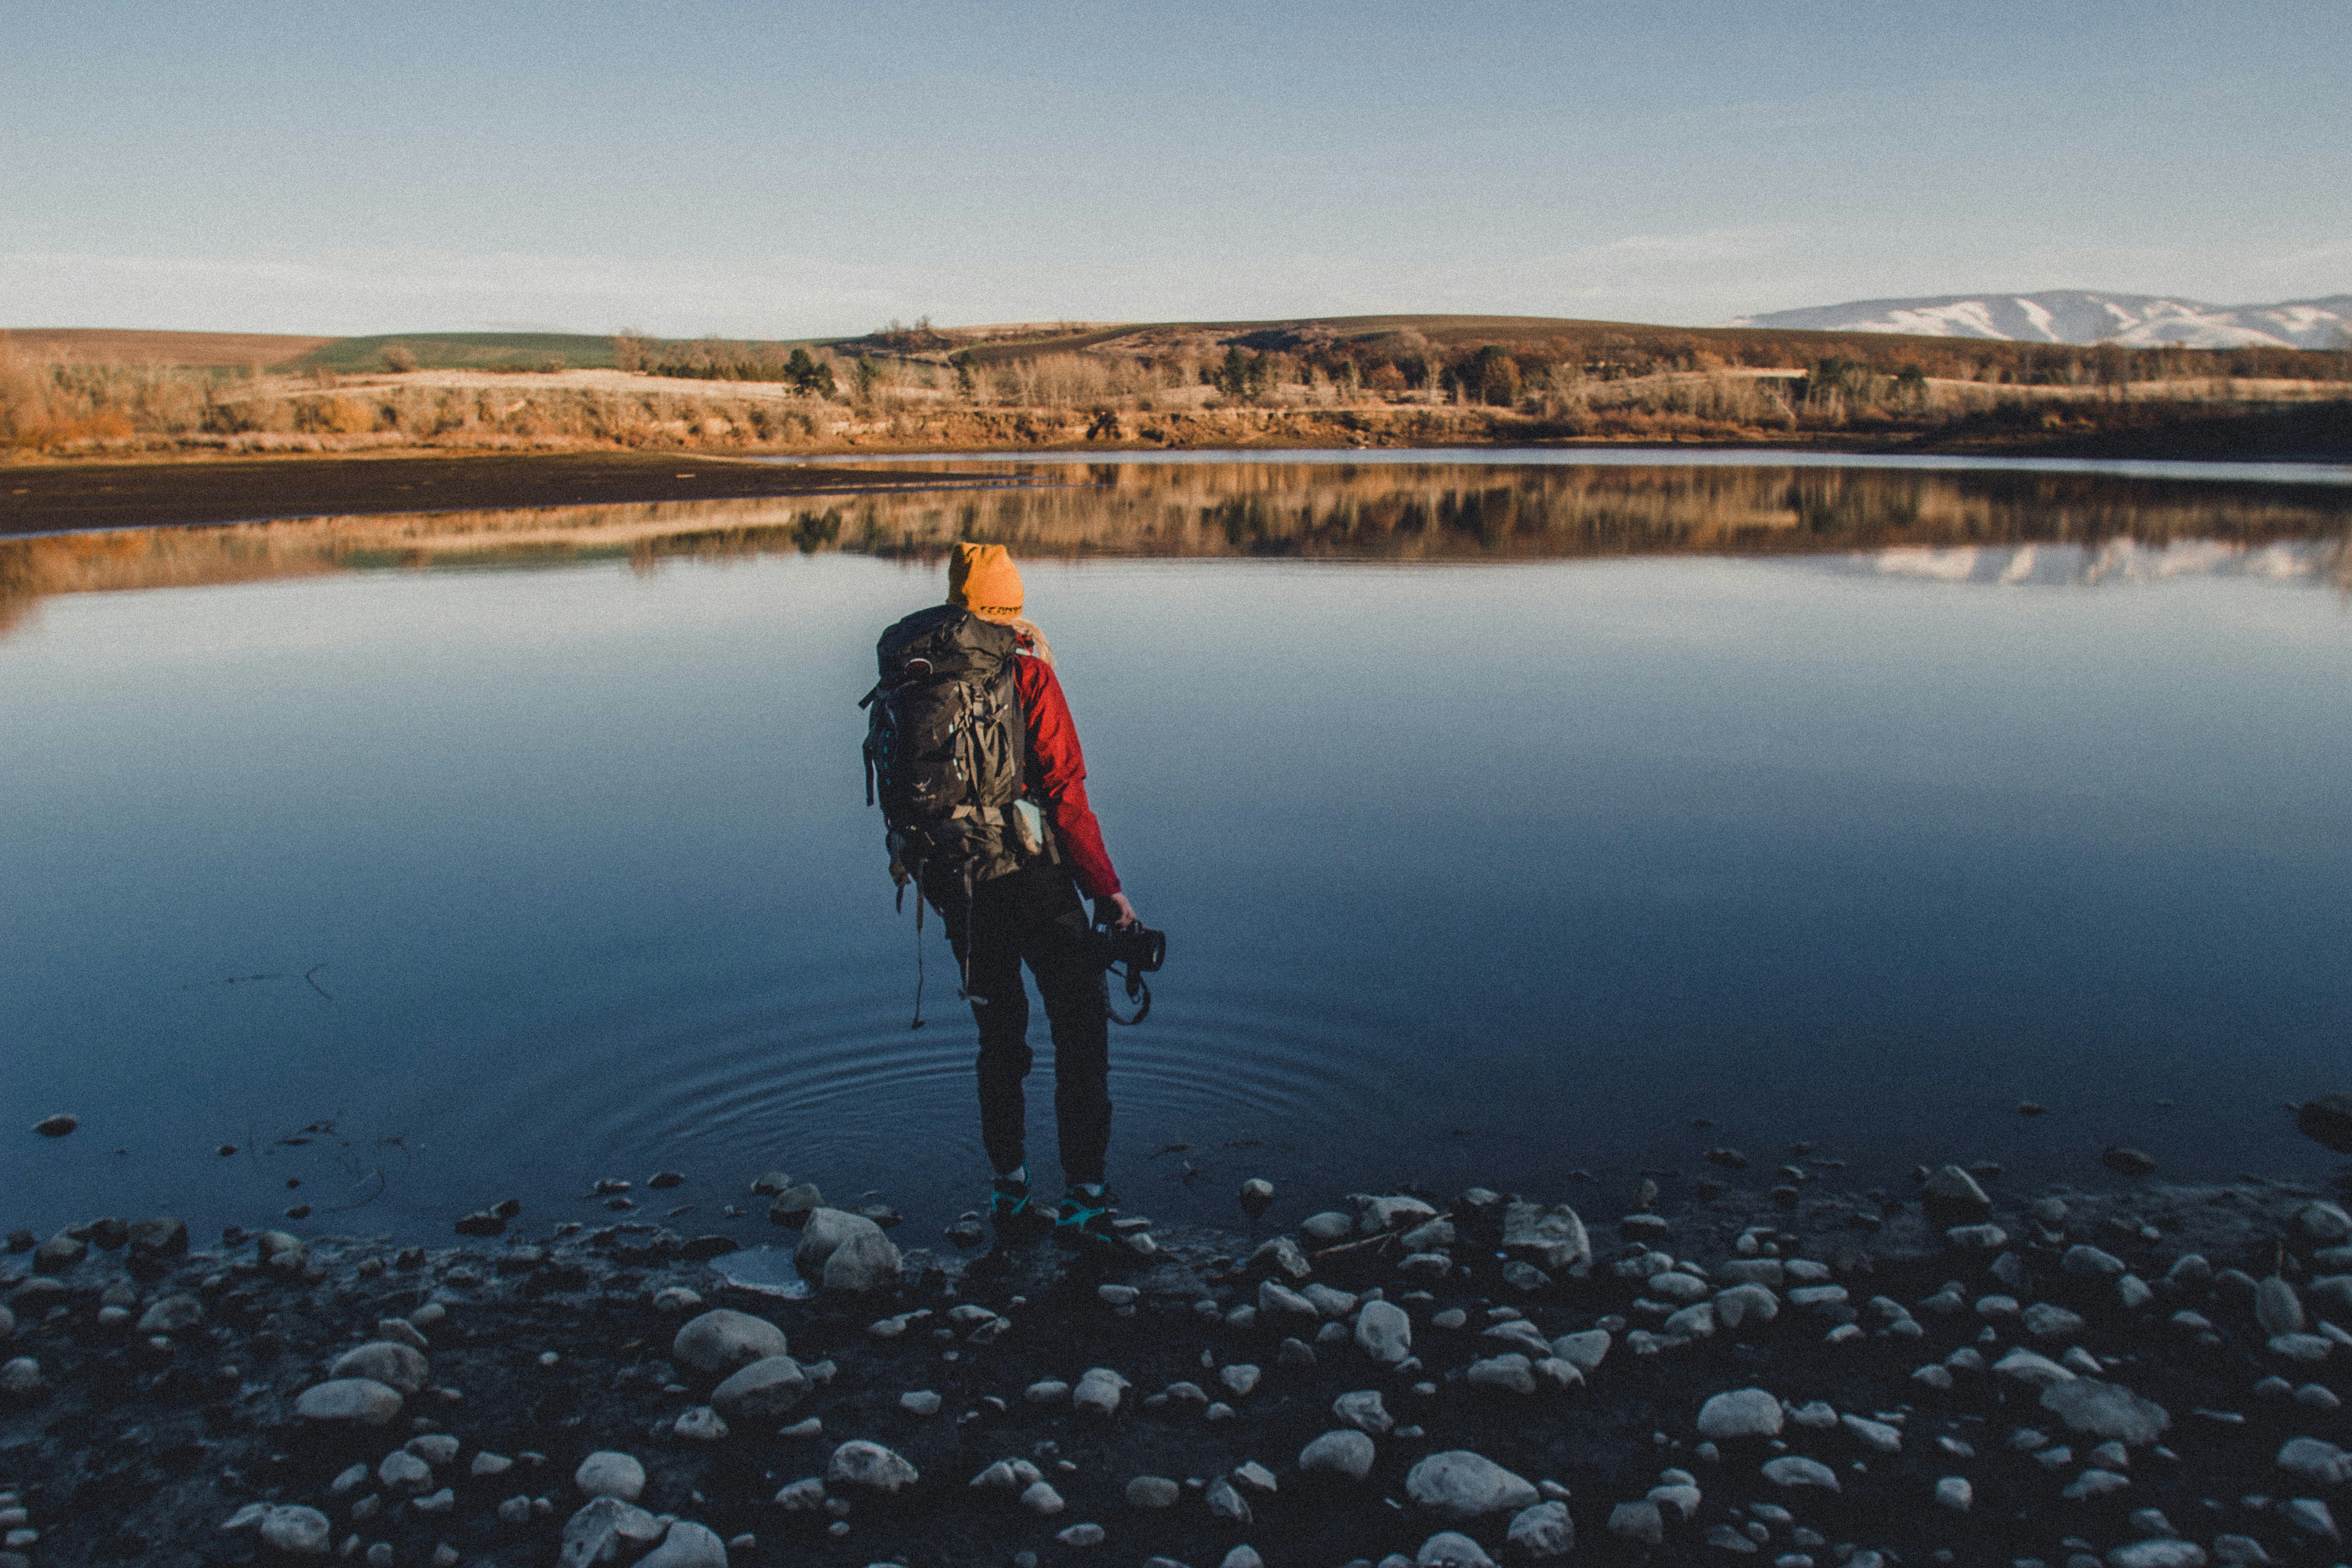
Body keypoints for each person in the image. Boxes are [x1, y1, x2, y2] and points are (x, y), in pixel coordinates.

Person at [865, 543, 1139, 1246]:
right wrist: (1108, 895)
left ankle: (1009, 1189)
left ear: (958, 601)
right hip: (1034, 880)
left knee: (1000, 1039)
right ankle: (1084, 1194)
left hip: (955, 882)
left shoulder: (912, 673)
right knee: (1080, 1029)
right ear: (1012, 604)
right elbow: (1067, 797)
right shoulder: (1028, 674)